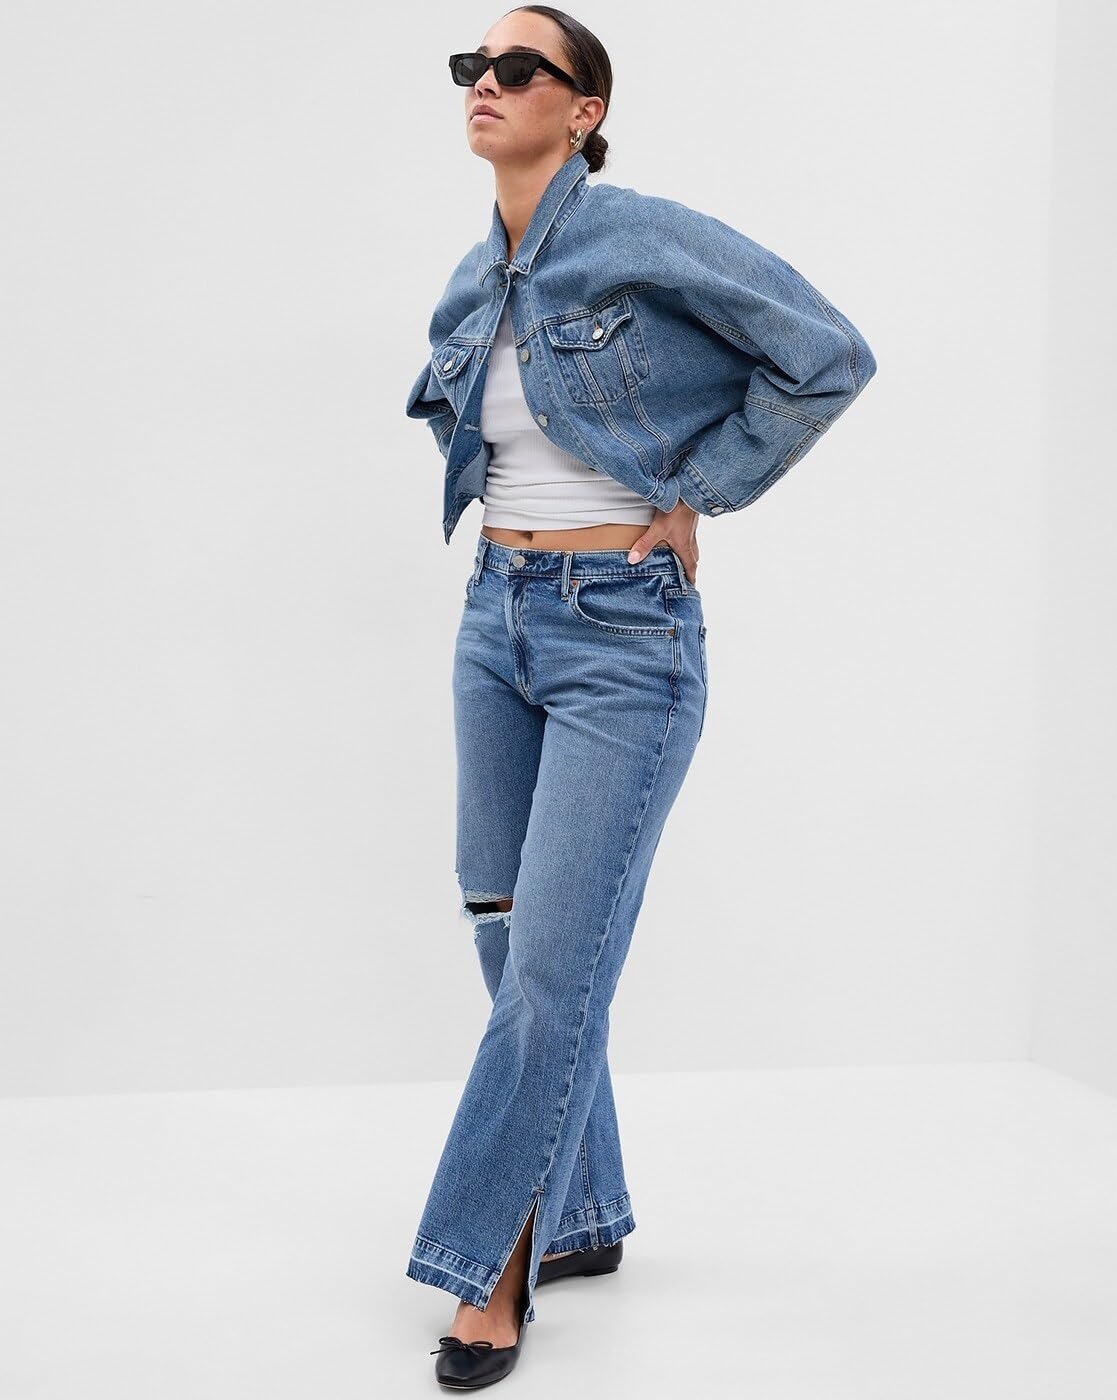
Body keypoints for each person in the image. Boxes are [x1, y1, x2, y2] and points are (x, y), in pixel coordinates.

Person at [404, 6, 878, 1387]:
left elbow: (826, 353)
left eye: (520, 69)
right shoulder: (470, 277)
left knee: (553, 968)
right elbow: (466, 426)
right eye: (472, 68)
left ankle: (492, 1266)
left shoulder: (640, 235)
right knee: (507, 938)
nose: (486, 84)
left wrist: (698, 488)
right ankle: (586, 1212)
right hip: (494, 620)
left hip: (622, 635)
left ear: (586, 109)